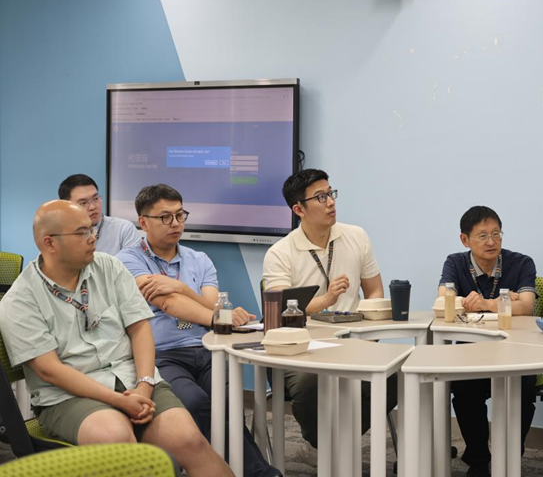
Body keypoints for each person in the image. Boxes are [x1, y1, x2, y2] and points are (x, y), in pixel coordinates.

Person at [0, 200, 231, 477]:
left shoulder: (109, 266)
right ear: (50, 243)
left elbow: (140, 328)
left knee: (190, 441)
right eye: (82, 233)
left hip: (133, 379)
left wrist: (145, 385)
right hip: (68, 397)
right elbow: (50, 370)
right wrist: (119, 401)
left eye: (92, 229)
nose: (93, 238)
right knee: (119, 443)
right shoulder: (20, 299)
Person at [116, 184, 279, 477]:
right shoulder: (128, 260)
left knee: (228, 403)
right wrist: (217, 315)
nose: (176, 223)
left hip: (205, 349)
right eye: (165, 217)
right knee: (197, 403)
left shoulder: (199, 259)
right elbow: (168, 303)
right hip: (162, 355)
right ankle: (260, 473)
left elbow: (210, 303)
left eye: (180, 215)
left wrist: (181, 288)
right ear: (143, 222)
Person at [262, 168, 395, 465]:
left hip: (352, 341)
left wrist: (370, 335)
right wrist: (326, 300)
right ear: (299, 209)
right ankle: (319, 443)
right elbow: (280, 308)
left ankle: (334, 444)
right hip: (301, 349)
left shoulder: (356, 236)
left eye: (330, 193)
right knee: (309, 383)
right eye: (320, 197)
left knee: (395, 375)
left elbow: (374, 290)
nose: (331, 202)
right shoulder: (280, 252)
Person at [438, 205, 538, 477]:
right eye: (482, 236)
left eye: (496, 234)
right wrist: (506, 300)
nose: (491, 241)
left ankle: (510, 457)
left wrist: (486, 303)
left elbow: (527, 306)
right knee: (464, 388)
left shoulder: (522, 263)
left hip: (516, 351)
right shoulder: (455, 262)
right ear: (465, 239)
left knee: (523, 389)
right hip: (472, 351)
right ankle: (479, 460)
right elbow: (444, 300)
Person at [58, 174, 138, 255]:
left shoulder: (123, 229)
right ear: (67, 207)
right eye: (83, 203)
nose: (92, 207)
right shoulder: (59, 235)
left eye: (96, 198)